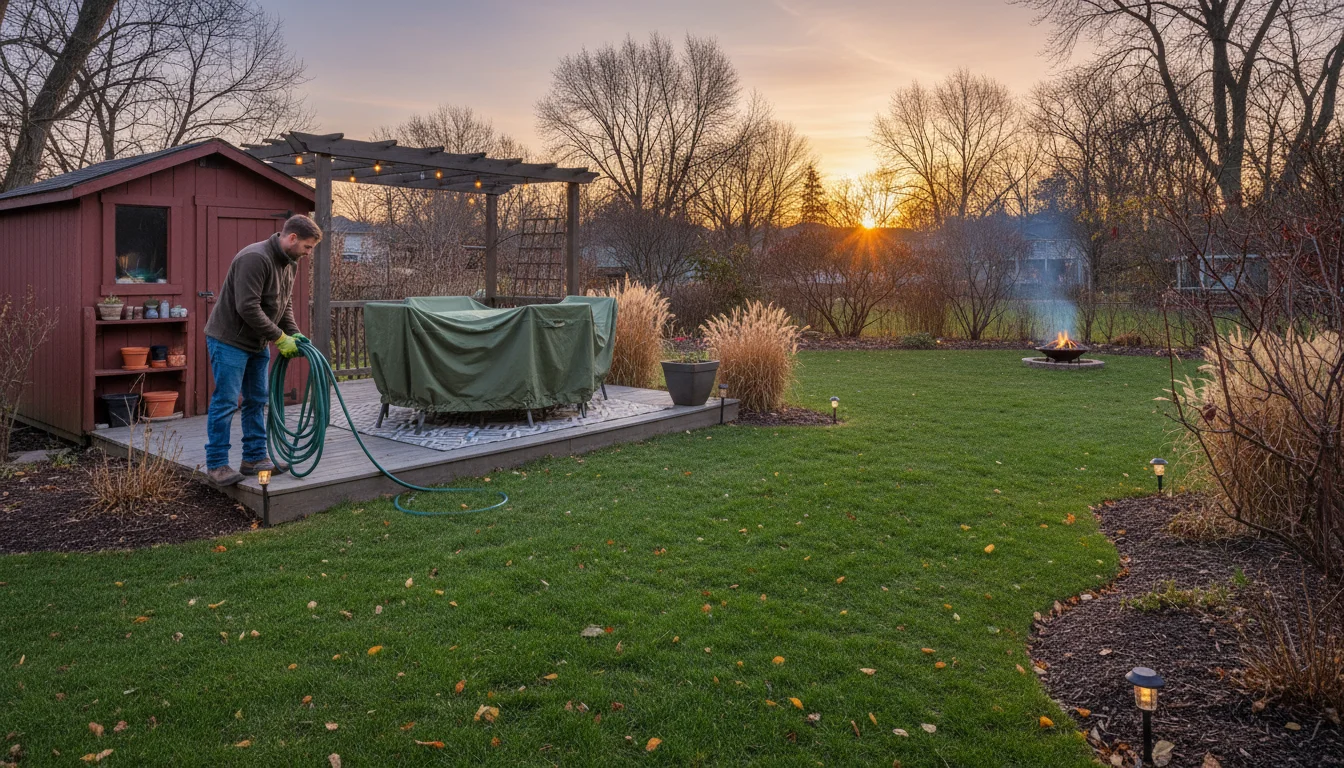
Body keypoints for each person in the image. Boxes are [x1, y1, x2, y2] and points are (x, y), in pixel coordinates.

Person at [202, 214, 321, 486]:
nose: (308, 253)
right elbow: (248, 307)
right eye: (307, 246)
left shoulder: (289, 263)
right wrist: (280, 338)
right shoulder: (254, 258)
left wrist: (295, 334)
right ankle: (217, 464)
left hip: (257, 342)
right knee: (227, 401)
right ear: (292, 238)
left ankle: (254, 458)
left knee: (257, 399)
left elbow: (283, 305)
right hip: (229, 340)